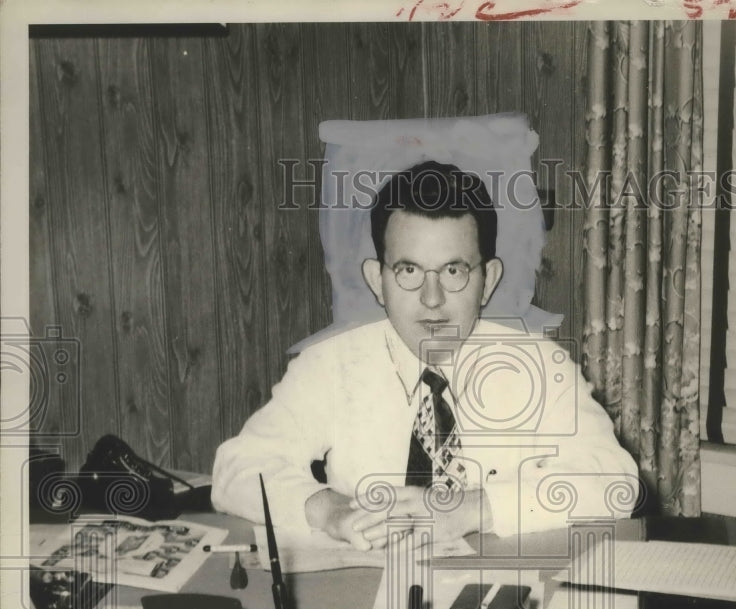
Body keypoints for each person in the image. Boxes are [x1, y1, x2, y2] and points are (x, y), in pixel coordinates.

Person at [212, 161, 639, 549]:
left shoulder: (543, 367)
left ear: (487, 281)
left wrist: (473, 510)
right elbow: (236, 468)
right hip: (363, 592)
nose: (431, 299)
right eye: (409, 271)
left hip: (498, 590)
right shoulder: (330, 365)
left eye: (453, 271)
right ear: (377, 281)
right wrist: (330, 510)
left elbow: (616, 480)